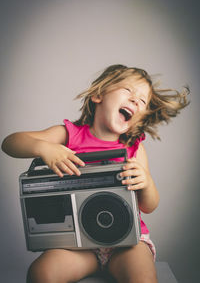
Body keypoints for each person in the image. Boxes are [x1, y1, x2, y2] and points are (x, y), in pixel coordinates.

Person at [1, 64, 189, 283]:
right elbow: (10, 143)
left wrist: (146, 183)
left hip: (126, 243)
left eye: (142, 101)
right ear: (99, 95)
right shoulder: (69, 135)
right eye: (128, 91)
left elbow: (149, 205)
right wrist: (44, 148)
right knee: (41, 273)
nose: (136, 101)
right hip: (79, 245)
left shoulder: (134, 147)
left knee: (143, 279)